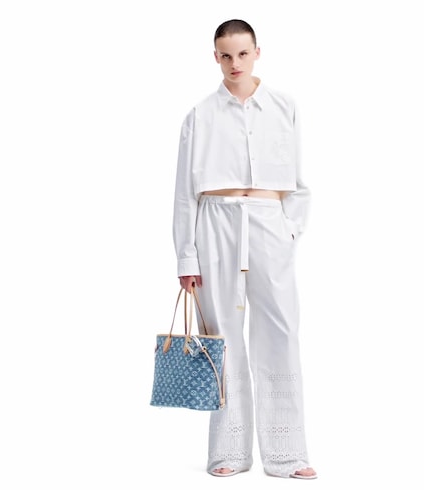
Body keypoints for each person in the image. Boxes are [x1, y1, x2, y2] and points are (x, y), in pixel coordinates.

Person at [172, 19, 317, 480]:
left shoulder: (283, 106)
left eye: (242, 53)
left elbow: (299, 182)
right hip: (216, 225)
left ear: (257, 52)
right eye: (225, 55)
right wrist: (187, 256)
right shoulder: (199, 115)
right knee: (224, 337)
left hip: (269, 223)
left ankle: (288, 454)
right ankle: (229, 451)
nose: (235, 63)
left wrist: (289, 230)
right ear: (215, 57)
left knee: (281, 332)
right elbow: (184, 194)